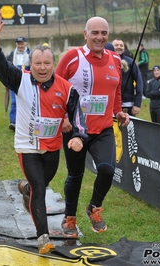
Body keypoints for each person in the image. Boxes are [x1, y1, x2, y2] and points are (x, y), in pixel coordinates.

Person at [0, 9, 88, 254]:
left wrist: (77, 136)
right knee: (41, 189)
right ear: (30, 63)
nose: (42, 68)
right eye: (37, 63)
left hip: (52, 149)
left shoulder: (67, 89)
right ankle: (43, 237)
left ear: (53, 64)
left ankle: (27, 189)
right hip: (27, 147)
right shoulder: (19, 79)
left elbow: (78, 117)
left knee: (38, 185)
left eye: (47, 63)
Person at [55, 16, 130, 236]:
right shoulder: (72, 57)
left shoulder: (115, 59)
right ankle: (69, 219)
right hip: (76, 130)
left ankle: (94, 207)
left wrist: (118, 111)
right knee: (75, 176)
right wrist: (62, 117)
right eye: (95, 32)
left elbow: (115, 89)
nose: (100, 37)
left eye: (103, 33)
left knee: (107, 170)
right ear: (85, 33)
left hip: (104, 129)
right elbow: (55, 88)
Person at [112, 38, 143, 116]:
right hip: (111, 105)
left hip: (128, 105)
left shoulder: (130, 62)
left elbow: (139, 82)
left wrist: (137, 104)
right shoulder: (106, 61)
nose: (119, 47)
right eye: (116, 45)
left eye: (121, 45)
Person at [6, 36, 30, 131]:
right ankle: (13, 122)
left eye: (22, 44)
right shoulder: (11, 54)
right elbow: (6, 68)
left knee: (26, 102)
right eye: (18, 44)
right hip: (13, 81)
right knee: (15, 102)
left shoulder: (30, 54)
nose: (20, 46)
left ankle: (26, 122)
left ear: (26, 44)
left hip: (26, 82)